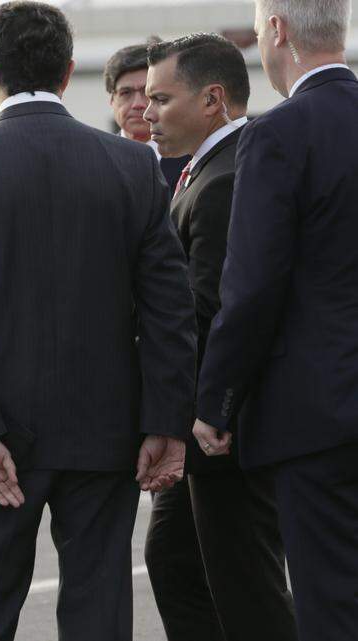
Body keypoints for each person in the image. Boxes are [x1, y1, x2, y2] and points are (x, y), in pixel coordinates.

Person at [0, 3, 196, 639]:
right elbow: (168, 309)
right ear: (69, 72)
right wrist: (164, 421)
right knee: (98, 611)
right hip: (107, 430)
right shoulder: (131, 168)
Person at [194, 1, 358, 638]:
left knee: (333, 605)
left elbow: (253, 288)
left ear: (278, 30)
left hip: (317, 420)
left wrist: (217, 401)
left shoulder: (277, 135)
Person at [141, 33, 297, 641]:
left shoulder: (228, 175)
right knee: (177, 562)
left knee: (245, 585)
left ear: (212, 100)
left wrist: (211, 409)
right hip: (206, 422)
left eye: (161, 98)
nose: (147, 113)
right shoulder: (204, 168)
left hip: (223, 428)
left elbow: (214, 311)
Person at [105, 39, 191, 187]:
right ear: (112, 100)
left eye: (147, 92)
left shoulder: (191, 159)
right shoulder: (98, 159)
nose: (138, 104)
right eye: (126, 93)